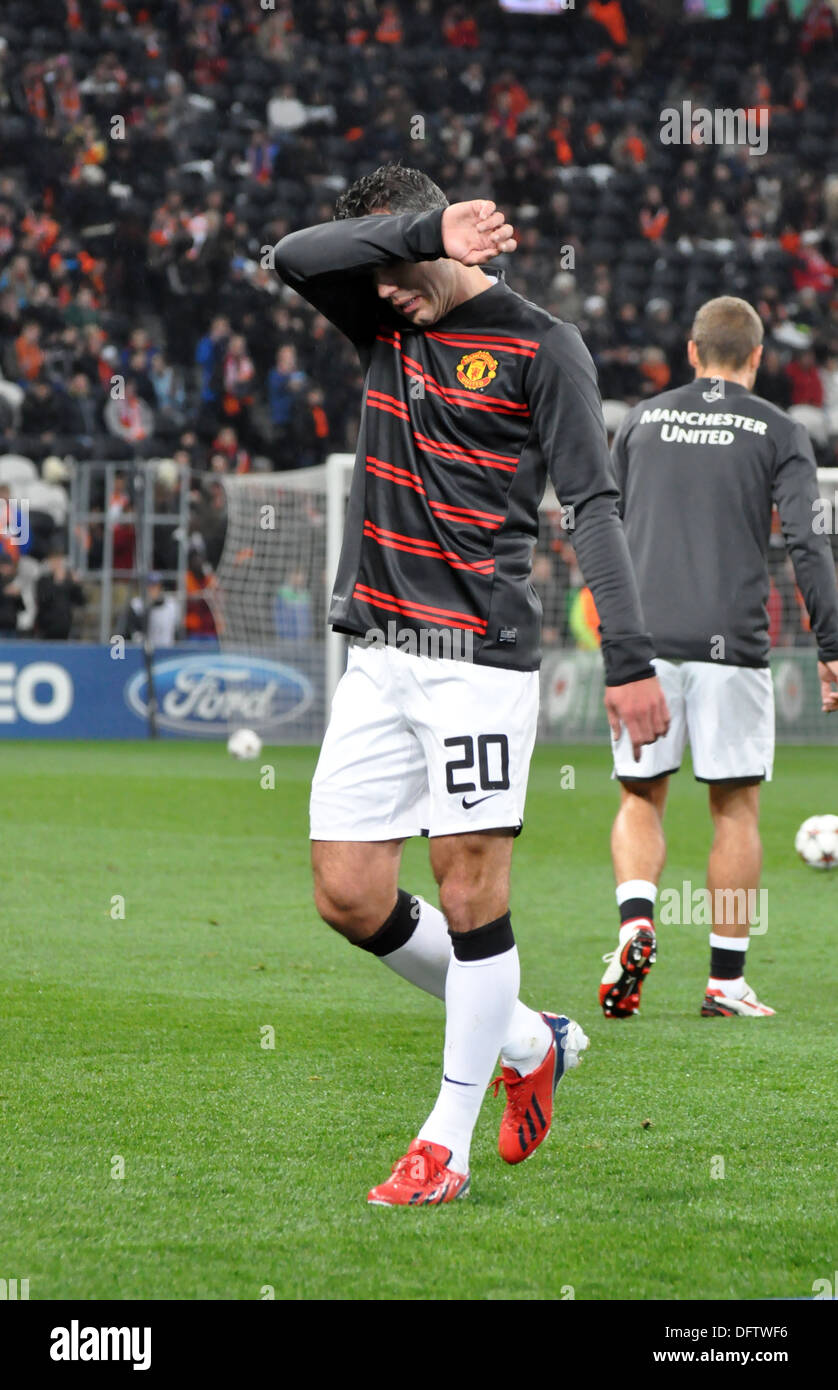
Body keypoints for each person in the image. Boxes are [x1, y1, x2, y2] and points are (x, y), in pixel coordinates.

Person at [274, 163, 668, 1207]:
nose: (378, 286)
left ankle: (441, 1144)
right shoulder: (380, 312)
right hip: (377, 653)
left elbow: (590, 503)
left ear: (448, 251)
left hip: (476, 660)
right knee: (347, 893)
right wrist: (415, 234)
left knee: (468, 887)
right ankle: (529, 1036)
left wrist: (625, 657)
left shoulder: (545, 347)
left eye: (395, 265)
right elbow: (292, 256)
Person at [600, 296, 838, 1022]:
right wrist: (832, 647)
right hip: (731, 644)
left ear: (693, 351)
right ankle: (725, 983)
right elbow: (807, 541)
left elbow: (602, 523)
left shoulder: (640, 420)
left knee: (641, 795)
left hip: (642, 643)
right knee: (735, 806)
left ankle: (636, 923)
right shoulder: (779, 429)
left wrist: (618, 636)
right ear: (758, 359)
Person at [35, 549, 86, 638]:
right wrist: (57, 583)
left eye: (59, 560)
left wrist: (76, 584)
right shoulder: (43, 580)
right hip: (47, 626)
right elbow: (43, 600)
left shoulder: (68, 581)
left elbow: (80, 601)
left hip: (65, 625)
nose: (57, 564)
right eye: (54, 561)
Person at [120, 572, 179, 648]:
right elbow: (132, 629)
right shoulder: (137, 604)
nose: (153, 589)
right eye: (150, 586)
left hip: (167, 649)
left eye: (156, 586)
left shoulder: (171, 604)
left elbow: (177, 629)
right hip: (146, 649)